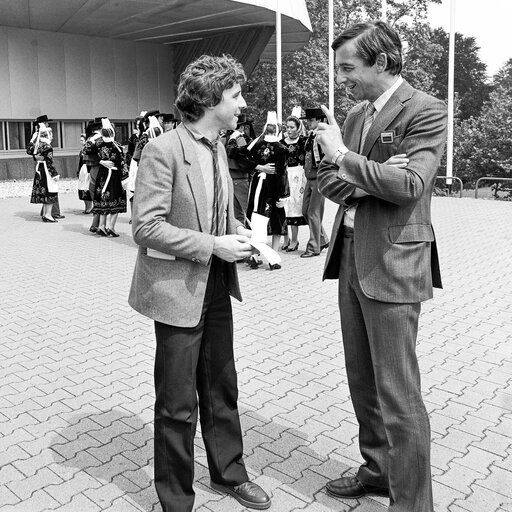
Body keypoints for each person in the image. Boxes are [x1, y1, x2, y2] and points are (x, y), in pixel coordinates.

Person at [128, 54, 271, 512]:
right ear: (211, 101)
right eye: (235, 96)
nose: (242, 103)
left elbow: (217, 209)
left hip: (215, 286)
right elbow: (145, 227)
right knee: (176, 402)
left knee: (220, 386)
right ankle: (176, 498)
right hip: (176, 291)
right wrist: (212, 244)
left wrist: (240, 230)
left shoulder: (218, 146)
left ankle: (230, 474)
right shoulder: (163, 150)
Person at [316, 21, 447, 512]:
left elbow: (411, 187)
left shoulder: (426, 110)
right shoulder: (352, 115)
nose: (341, 77)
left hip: (394, 262)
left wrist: (347, 159)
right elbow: (328, 180)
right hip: (348, 254)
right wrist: (368, 177)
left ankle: (413, 504)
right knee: (361, 379)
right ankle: (377, 471)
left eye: (348, 67)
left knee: (398, 393)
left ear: (383, 62)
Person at [246, 113, 289, 270]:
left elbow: (243, 156)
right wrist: (284, 196)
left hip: (258, 184)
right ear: (278, 131)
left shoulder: (257, 145)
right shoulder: (281, 149)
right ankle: (273, 258)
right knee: (276, 221)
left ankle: (254, 255)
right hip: (273, 188)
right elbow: (282, 174)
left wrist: (258, 167)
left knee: (258, 218)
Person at [90, 118, 128, 237]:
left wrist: (100, 161)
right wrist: (125, 178)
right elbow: (122, 164)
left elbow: (86, 150)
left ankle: (101, 226)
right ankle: (110, 226)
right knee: (116, 200)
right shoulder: (117, 147)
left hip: (102, 175)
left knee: (103, 199)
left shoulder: (98, 144)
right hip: (114, 176)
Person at [300, 108, 329, 258]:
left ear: (319, 120)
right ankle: (322, 239)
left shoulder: (323, 135)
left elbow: (329, 157)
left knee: (313, 212)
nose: (308, 122)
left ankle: (313, 247)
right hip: (310, 177)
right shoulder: (311, 136)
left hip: (319, 178)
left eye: (311, 120)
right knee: (306, 211)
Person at [281, 115, 307, 252]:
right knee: (284, 207)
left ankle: (295, 240)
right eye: (287, 127)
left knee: (294, 207)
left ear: (298, 128)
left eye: (292, 127)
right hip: (285, 175)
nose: (289, 130)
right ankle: (285, 239)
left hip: (298, 174)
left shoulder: (303, 142)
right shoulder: (281, 143)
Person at [27, 115, 60, 222]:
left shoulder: (37, 142)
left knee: (45, 191)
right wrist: (55, 174)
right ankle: (48, 214)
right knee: (50, 190)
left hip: (39, 167)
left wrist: (35, 156)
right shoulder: (46, 145)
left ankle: (46, 214)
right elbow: (49, 161)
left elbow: (30, 150)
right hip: (45, 168)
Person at [225, 113, 256, 226]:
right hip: (240, 177)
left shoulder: (227, 137)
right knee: (246, 212)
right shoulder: (239, 137)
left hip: (230, 178)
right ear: (242, 127)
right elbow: (241, 155)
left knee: (236, 213)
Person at [77, 132, 93, 214]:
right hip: (82, 169)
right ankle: (86, 207)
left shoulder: (88, 149)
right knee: (82, 188)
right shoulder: (82, 150)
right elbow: (80, 161)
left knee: (87, 187)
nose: (81, 142)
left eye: (82, 140)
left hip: (87, 169)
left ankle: (90, 207)